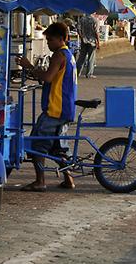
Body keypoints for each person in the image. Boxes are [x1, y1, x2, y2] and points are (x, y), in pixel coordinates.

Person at [17, 22, 77, 192]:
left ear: (60, 39)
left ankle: (40, 180)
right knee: (58, 146)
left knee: (37, 144)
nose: (48, 43)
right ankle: (68, 179)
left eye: (50, 40)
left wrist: (30, 67)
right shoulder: (69, 55)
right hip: (65, 108)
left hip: (55, 109)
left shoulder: (59, 55)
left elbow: (48, 77)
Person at [75, 13, 100, 79]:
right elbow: (96, 32)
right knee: (91, 58)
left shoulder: (82, 19)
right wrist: (98, 42)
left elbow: (78, 29)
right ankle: (89, 74)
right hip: (92, 42)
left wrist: (82, 37)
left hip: (84, 41)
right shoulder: (95, 20)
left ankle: (77, 73)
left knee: (81, 57)